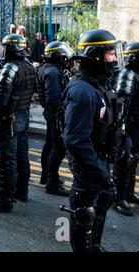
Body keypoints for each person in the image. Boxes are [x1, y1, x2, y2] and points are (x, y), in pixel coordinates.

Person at [62, 29, 119, 252]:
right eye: (111, 54)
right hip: (89, 169)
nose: (114, 59)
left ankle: (95, 245)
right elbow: (76, 140)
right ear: (96, 55)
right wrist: (101, 173)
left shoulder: (99, 84)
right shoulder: (82, 90)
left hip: (100, 163)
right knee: (84, 218)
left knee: (100, 210)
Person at [0, 34, 36, 212]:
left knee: (7, 158)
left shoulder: (9, 68)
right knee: (22, 155)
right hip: (23, 115)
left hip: (9, 119)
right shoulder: (29, 66)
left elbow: (0, 99)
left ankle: (5, 199)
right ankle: (22, 191)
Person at [37, 41, 73, 196]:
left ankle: (46, 177)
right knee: (58, 147)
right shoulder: (52, 72)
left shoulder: (47, 68)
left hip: (51, 113)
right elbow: (53, 98)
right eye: (63, 56)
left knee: (49, 145)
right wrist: (61, 114)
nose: (65, 59)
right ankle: (52, 182)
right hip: (55, 114)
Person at [113, 42, 139, 216]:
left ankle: (129, 192)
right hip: (127, 125)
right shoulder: (127, 74)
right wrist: (121, 128)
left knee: (134, 159)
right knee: (125, 159)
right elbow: (121, 104)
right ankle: (118, 198)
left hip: (136, 125)